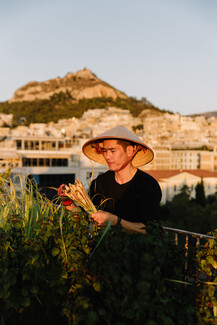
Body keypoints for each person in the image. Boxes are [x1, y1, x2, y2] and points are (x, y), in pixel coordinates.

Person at [59, 125, 162, 234]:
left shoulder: (148, 185)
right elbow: (87, 218)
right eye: (104, 151)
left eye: (112, 151)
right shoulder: (100, 183)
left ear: (129, 151)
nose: (107, 156)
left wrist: (115, 221)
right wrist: (68, 203)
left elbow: (150, 230)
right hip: (104, 248)